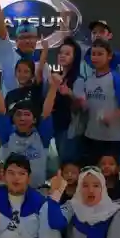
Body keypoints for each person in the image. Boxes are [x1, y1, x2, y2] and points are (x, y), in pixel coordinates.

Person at [0, 73, 59, 186]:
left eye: (27, 114)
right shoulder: (7, 135)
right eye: (18, 114)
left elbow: (46, 113)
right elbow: (1, 111)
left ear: (34, 119)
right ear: (13, 119)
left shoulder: (42, 136)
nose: (22, 118)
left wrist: (54, 87)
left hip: (37, 190)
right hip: (12, 190)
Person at [74, 39, 120, 165]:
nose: (95, 58)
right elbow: (85, 107)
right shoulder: (88, 80)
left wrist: (111, 115)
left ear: (109, 56)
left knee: (109, 173)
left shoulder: (117, 79)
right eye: (93, 54)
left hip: (112, 139)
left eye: (100, 54)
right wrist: (80, 103)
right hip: (91, 136)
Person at [50, 37, 83, 165]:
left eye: (67, 53)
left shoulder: (78, 80)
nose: (62, 56)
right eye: (61, 53)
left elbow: (81, 106)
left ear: (75, 57)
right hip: (56, 127)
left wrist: (69, 93)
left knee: (68, 163)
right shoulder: (57, 77)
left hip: (69, 130)